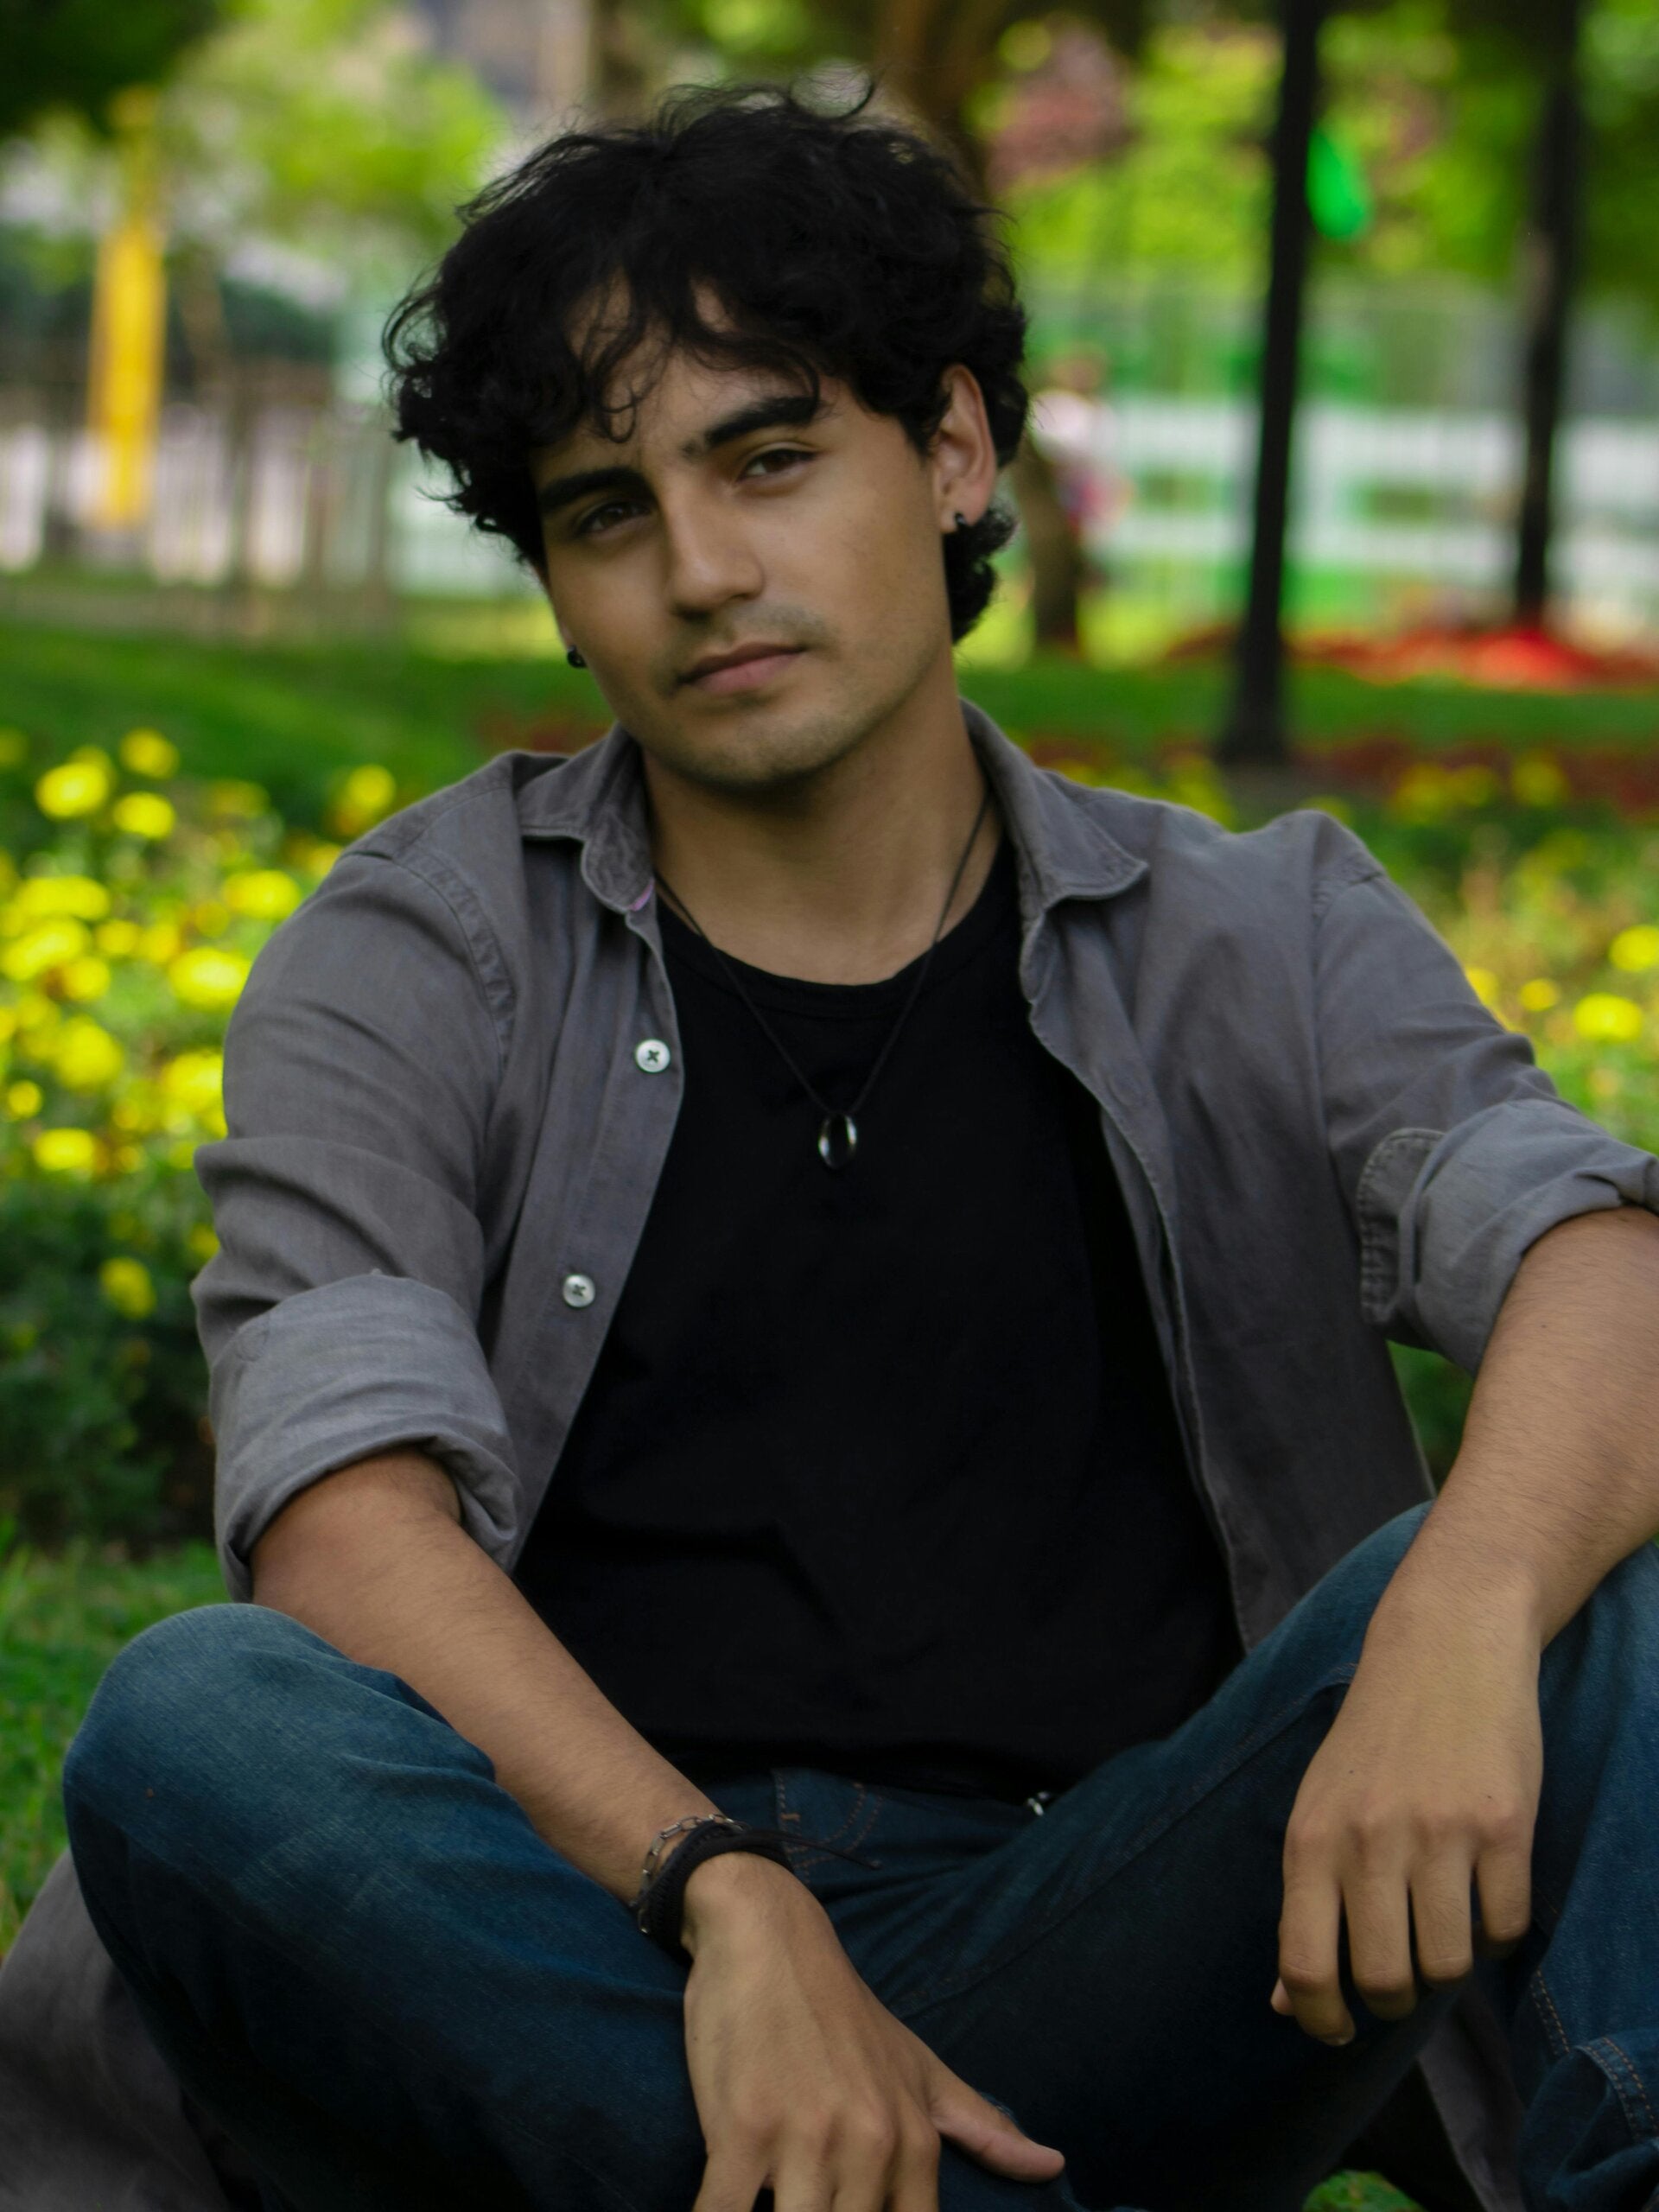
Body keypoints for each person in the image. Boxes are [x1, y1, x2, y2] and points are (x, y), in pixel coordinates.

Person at [3, 83, 1659, 2212]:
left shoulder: (1264, 931)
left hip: (1099, 1940)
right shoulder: (422, 950)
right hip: (579, 1949)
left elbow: (1599, 1257)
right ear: (558, 583)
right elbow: (338, 1519)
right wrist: (720, 1889)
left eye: (769, 458)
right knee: (200, 1716)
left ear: (953, 449)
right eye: (609, 512)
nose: (704, 571)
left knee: (1586, 1550)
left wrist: (1465, 1606)